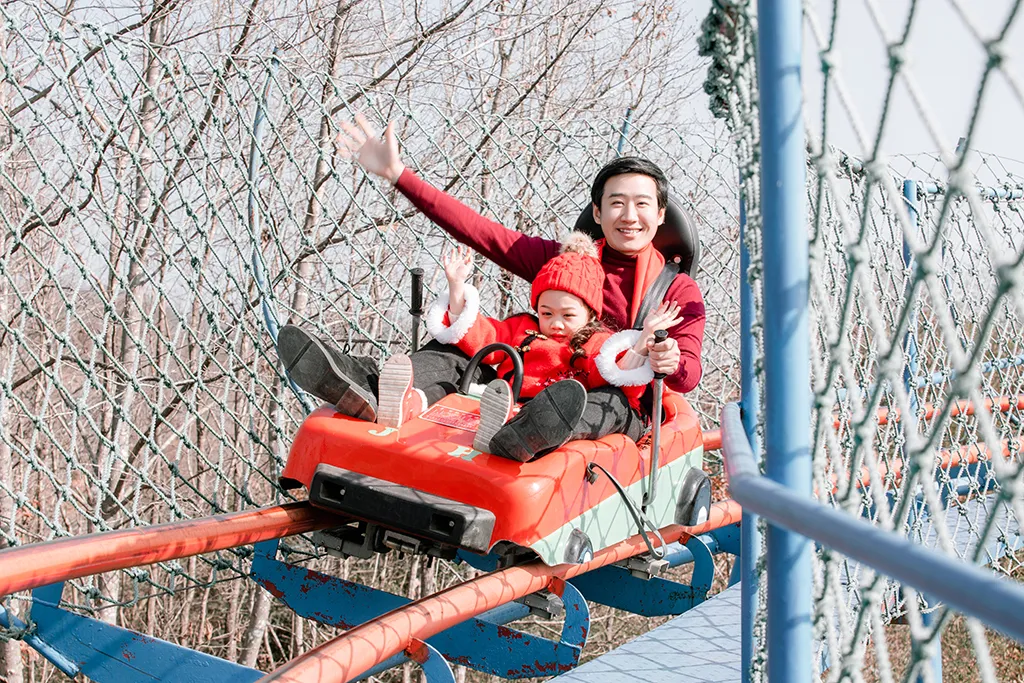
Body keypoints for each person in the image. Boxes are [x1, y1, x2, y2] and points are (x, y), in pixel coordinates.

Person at [278, 115, 705, 450]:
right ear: (597, 213)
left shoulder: (675, 288)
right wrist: (398, 176)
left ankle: (527, 435)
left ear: (661, 214)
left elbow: (687, 373)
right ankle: (368, 390)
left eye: (642, 205)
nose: (629, 216)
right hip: (532, 374)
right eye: (617, 203)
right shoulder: (564, 262)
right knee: (456, 347)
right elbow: (481, 233)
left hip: (607, 398)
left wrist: (668, 357)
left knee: (602, 403)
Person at [426, 236, 681, 460]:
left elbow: (617, 374)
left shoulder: (596, 342)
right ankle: (408, 393)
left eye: (568, 315)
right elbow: (482, 336)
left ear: (590, 313)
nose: (556, 323)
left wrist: (644, 338)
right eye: (546, 313)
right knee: (448, 351)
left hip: (558, 418)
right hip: (511, 400)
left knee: (610, 400)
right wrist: (456, 288)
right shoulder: (524, 328)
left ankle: (525, 438)